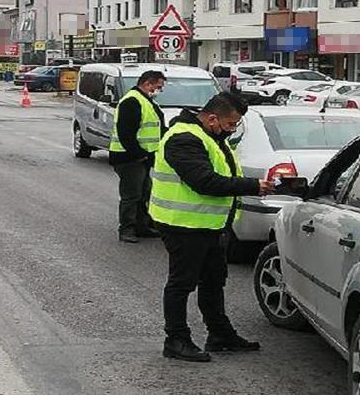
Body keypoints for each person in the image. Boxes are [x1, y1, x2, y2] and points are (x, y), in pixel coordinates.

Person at [149, 92, 274, 362]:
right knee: (182, 283)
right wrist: (254, 186)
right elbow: (204, 181)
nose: (232, 130)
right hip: (183, 224)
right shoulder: (183, 139)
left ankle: (219, 334)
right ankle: (176, 339)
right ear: (213, 118)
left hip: (209, 225)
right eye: (230, 125)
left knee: (213, 281)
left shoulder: (211, 137)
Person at [109, 70, 167, 243]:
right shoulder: (132, 101)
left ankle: (142, 226)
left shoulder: (145, 101)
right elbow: (126, 133)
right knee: (131, 195)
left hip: (141, 158)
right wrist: (139, 155)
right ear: (147, 84)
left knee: (144, 193)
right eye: (158, 87)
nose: (159, 91)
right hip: (129, 158)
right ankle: (126, 229)